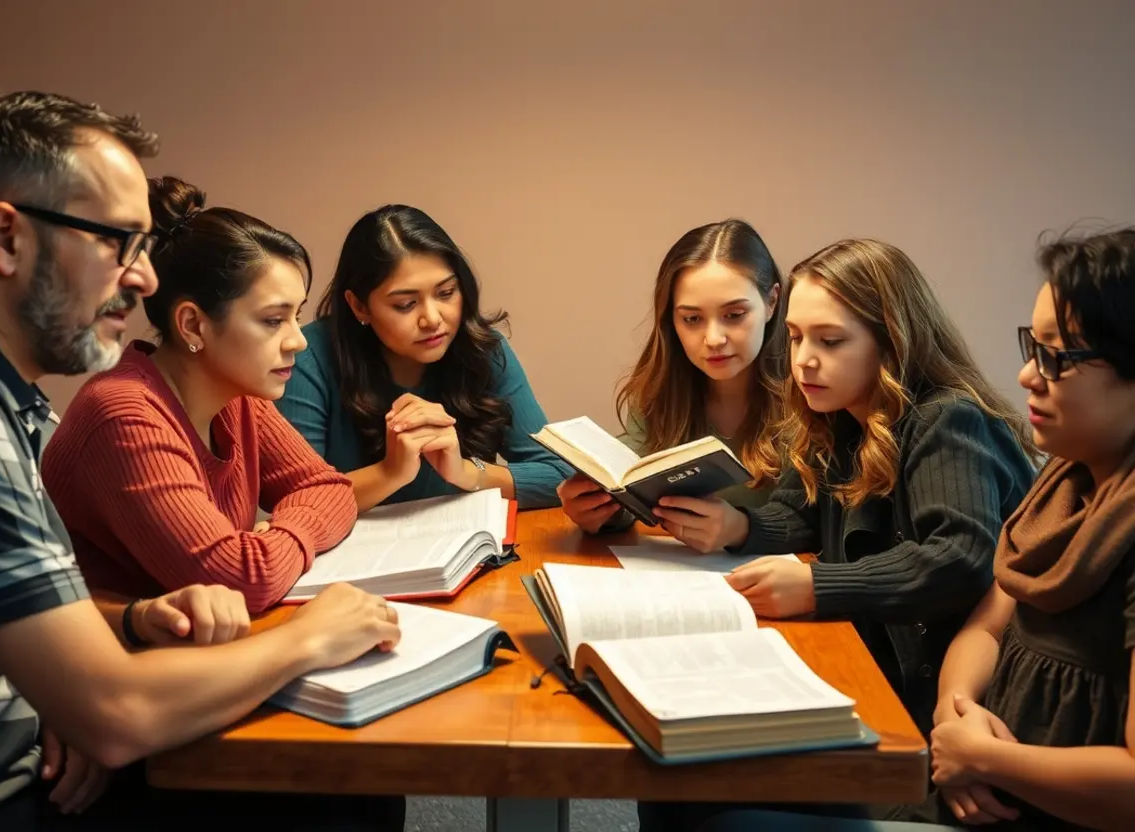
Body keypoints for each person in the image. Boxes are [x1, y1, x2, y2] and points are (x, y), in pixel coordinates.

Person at [0, 91, 403, 831]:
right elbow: (116, 714)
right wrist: (310, 636)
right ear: (4, 238)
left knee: (353, 785)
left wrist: (131, 620)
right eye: (119, 243)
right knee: (342, 787)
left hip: (31, 752)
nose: (145, 279)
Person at [638, 238, 1037, 832]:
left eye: (830, 341)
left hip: (949, 714)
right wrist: (739, 526)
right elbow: (798, 517)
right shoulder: (839, 419)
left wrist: (815, 586)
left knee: (704, 798)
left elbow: (959, 557)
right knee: (676, 775)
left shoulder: (945, 419)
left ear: (892, 340)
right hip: (878, 684)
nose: (802, 360)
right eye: (795, 337)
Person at [42, 175, 357, 614]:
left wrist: (279, 534)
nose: (298, 341)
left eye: (296, 316)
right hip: (122, 670)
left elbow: (330, 488)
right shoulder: (123, 415)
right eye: (272, 320)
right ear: (192, 324)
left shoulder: (236, 394)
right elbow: (243, 582)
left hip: (196, 655)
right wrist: (282, 539)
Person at [918, 228, 1135, 831]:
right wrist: (954, 717)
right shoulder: (1067, 477)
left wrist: (988, 759)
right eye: (1032, 346)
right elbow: (986, 630)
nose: (1027, 377)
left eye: (1057, 356)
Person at [278, 204, 570, 510]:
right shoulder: (308, 357)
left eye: (446, 293)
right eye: (405, 304)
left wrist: (467, 472)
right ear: (359, 306)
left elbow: (559, 475)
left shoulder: (482, 348)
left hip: (468, 547)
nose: (432, 319)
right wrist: (390, 473)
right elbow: (294, 501)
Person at [557, 219, 786, 534]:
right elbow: (632, 488)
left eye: (734, 315)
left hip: (783, 575)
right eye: (692, 319)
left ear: (771, 302)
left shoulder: (811, 393)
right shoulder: (661, 390)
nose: (714, 338)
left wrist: (744, 529)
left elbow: (821, 526)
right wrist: (598, 510)